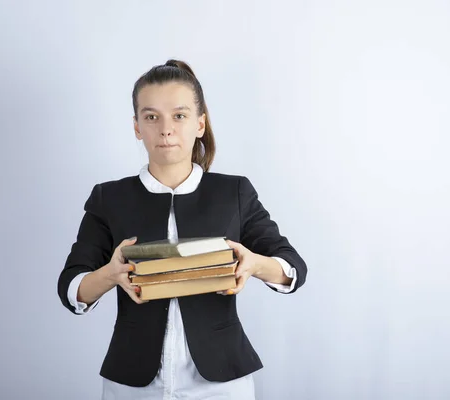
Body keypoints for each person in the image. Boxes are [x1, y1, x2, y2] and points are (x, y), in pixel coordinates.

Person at [57, 59, 308, 400]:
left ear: (200, 124)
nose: (165, 129)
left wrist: (255, 264)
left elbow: (293, 267)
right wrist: (110, 275)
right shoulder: (109, 197)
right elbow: (72, 289)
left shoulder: (234, 192)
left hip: (222, 382)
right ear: (136, 127)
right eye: (151, 117)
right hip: (132, 382)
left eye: (179, 115)